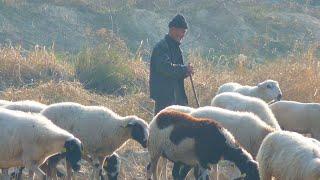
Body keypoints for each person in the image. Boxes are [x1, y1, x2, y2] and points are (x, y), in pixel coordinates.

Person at [149, 14, 194, 116]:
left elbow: (176, 73)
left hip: (176, 98)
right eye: (182, 31)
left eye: (184, 32)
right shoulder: (161, 47)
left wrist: (187, 72)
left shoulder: (176, 48)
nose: (183, 35)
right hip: (165, 99)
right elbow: (165, 68)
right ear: (173, 29)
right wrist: (184, 69)